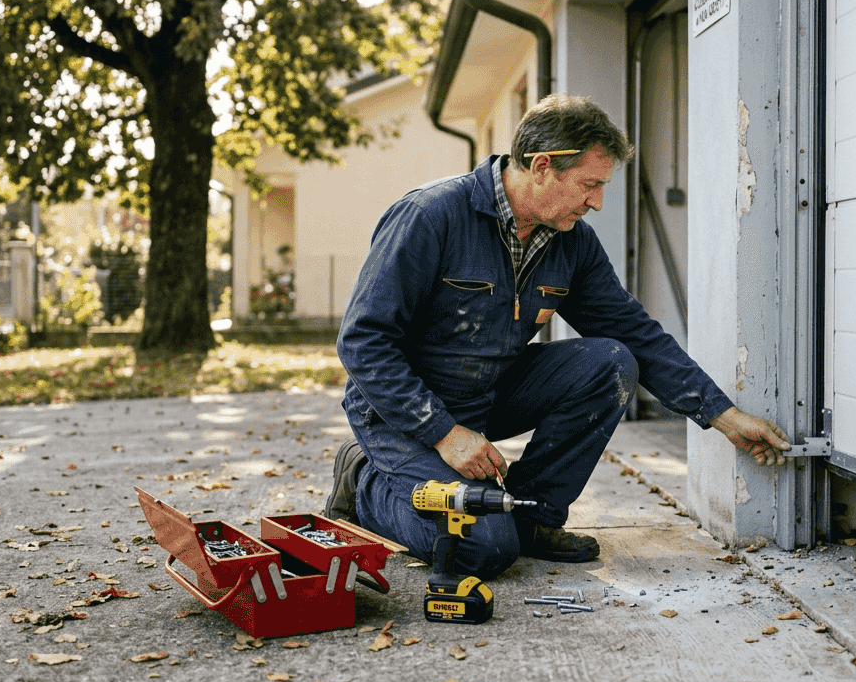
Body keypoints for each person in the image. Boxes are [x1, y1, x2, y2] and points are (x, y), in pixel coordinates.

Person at [326, 93, 790, 579]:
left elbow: (633, 332)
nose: (597, 202)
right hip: (401, 413)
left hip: (488, 393)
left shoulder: (571, 241)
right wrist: (444, 433)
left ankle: (533, 516)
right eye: (590, 185)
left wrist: (723, 415)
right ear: (542, 166)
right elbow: (363, 340)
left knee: (611, 362)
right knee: (481, 550)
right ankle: (363, 483)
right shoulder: (431, 215)